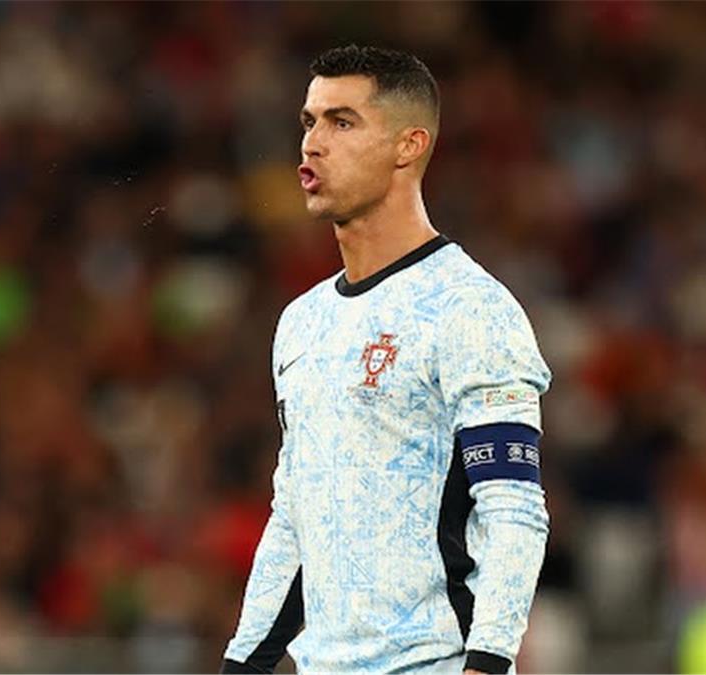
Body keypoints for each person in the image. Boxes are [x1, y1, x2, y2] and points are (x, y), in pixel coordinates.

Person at [221, 45, 552, 674]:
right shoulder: (303, 323)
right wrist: (242, 665)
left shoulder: (470, 309)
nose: (312, 143)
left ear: (409, 145)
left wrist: (487, 664)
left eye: (342, 122)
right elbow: (295, 517)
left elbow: (512, 506)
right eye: (309, 122)